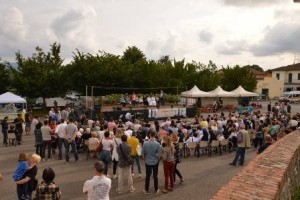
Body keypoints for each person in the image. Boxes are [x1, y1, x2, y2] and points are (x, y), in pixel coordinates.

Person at [142, 130, 161, 195]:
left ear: (149, 135)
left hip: (147, 161)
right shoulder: (158, 144)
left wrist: (145, 159)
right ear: (155, 135)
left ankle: (146, 189)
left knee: (147, 176)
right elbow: (159, 155)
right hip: (155, 161)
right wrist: (157, 160)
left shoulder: (145, 143)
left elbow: (143, 153)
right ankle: (156, 189)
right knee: (155, 176)